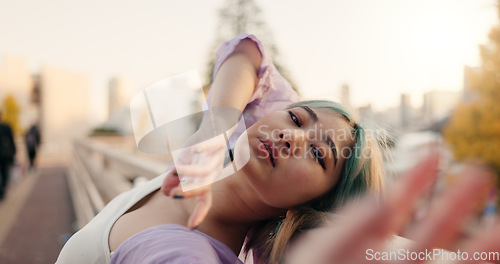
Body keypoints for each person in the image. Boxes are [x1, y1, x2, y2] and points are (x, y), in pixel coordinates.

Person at [56, 33, 384, 264]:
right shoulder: (215, 155)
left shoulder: (189, 252)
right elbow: (247, 52)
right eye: (296, 119)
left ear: (312, 205)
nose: (292, 138)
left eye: (317, 154)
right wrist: (213, 128)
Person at [0, 111, 16, 200]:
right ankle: (2, 190)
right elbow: (11, 141)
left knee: (4, 172)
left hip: (3, 154)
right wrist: (13, 152)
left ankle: (1, 190)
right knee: (4, 172)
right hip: (3, 154)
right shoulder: (6, 127)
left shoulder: (6, 127)